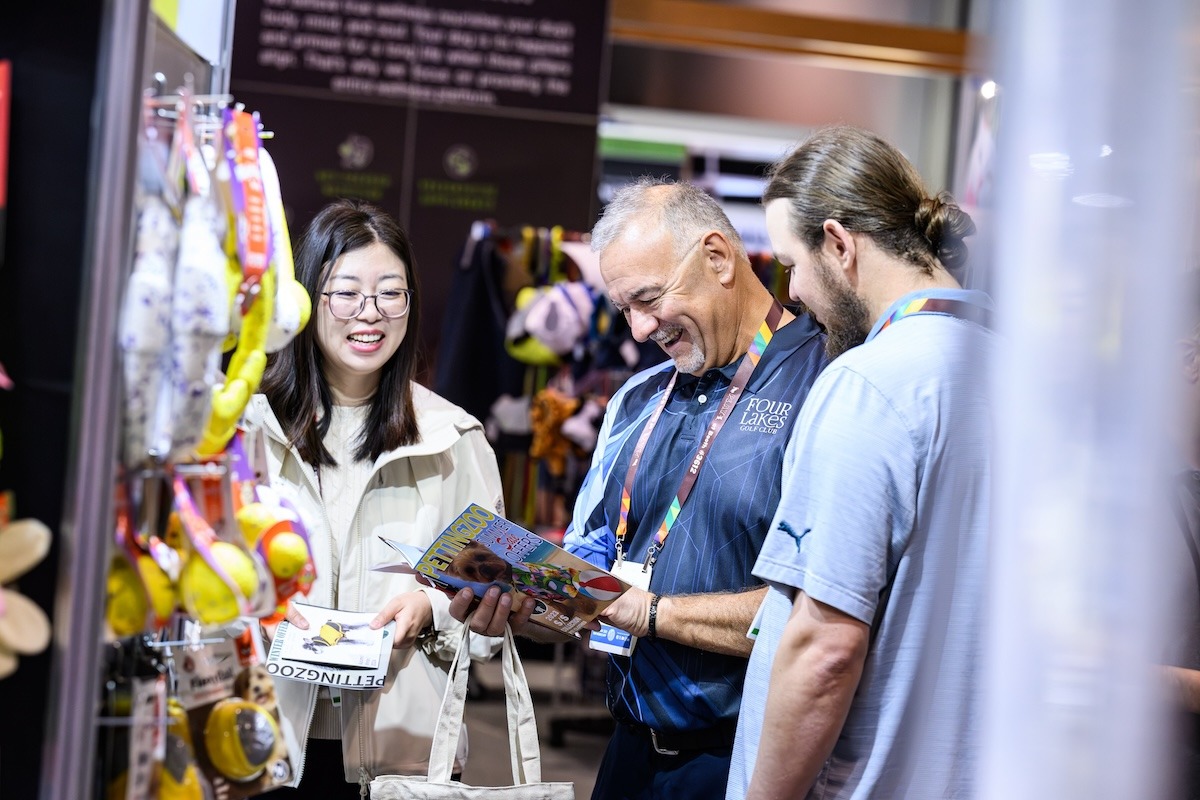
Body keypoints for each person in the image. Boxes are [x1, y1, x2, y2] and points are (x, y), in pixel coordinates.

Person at [452, 178, 829, 799]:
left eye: (649, 299)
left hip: (750, 763)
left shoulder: (823, 384)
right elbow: (585, 588)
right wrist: (519, 605)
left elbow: (822, 610)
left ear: (717, 257)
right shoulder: (636, 400)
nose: (637, 329)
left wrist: (649, 613)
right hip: (628, 752)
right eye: (624, 307)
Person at [727, 125, 995, 799]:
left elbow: (825, 648)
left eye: (792, 263)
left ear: (840, 245)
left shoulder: (870, 385)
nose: (790, 294)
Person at [243, 199, 504, 798]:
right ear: (310, 297)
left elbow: (492, 605)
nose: (370, 313)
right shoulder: (248, 430)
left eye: (391, 293)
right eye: (347, 292)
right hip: (266, 738)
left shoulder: (453, 439)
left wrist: (430, 609)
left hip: (400, 758)